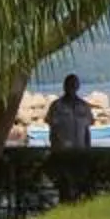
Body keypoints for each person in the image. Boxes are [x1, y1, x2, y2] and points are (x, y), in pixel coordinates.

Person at [43, 73, 95, 204]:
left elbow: (87, 130)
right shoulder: (56, 106)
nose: (71, 87)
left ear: (77, 86)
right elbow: (52, 131)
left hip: (80, 151)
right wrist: (54, 150)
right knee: (64, 186)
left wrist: (88, 150)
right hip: (63, 152)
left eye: (74, 84)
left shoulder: (84, 106)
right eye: (69, 84)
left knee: (80, 184)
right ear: (64, 86)